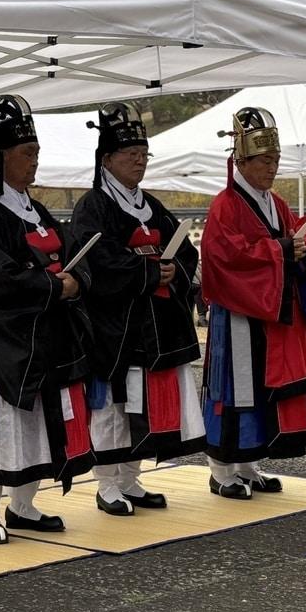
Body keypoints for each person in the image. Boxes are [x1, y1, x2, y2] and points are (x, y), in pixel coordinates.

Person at [0, 95, 95, 545]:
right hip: (1, 340)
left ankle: (22, 505)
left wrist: (76, 279)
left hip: (42, 335)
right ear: (1, 156)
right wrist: (54, 286)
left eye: (36, 152)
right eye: (26, 152)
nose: (34, 161)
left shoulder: (34, 209)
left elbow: (68, 251)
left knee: (36, 426)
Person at [70, 103, 205, 518]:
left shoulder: (153, 206)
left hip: (154, 326)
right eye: (131, 154)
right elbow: (95, 259)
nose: (139, 161)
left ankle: (131, 478)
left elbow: (186, 251)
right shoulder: (93, 206)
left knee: (141, 406)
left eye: (144, 154)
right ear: (107, 159)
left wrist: (173, 269)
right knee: (113, 406)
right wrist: (147, 271)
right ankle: (107, 484)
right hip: (116, 326)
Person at [200, 107, 306, 499]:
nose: (272, 168)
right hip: (237, 314)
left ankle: (248, 465)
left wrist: (304, 246)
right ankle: (221, 470)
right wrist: (281, 250)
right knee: (233, 390)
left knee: (259, 391)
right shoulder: (225, 205)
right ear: (241, 161)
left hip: (269, 314)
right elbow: (223, 256)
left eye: (276, 160)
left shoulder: (276, 203)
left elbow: (287, 241)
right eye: (264, 160)